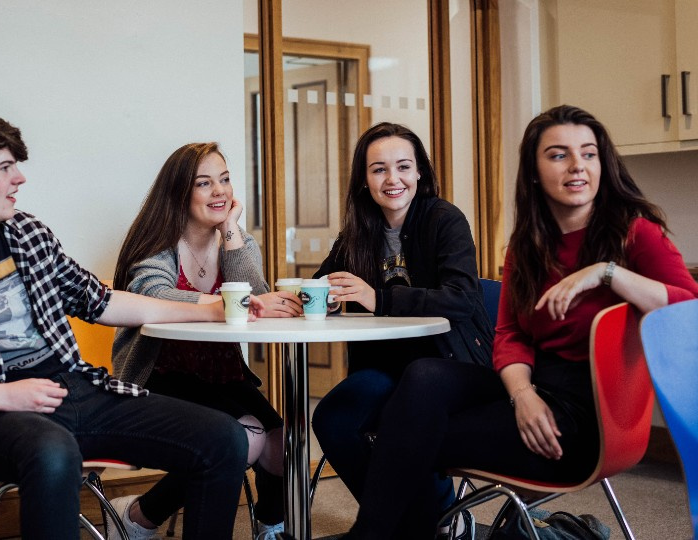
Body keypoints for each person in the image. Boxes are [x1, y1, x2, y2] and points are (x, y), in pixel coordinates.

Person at [0, 109, 267, 540]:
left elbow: (101, 300)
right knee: (53, 451)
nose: (20, 178)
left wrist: (209, 309)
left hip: (69, 387)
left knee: (223, 437)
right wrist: (4, 394)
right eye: (6, 167)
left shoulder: (29, 235)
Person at [340, 105, 698, 539]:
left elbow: (687, 307)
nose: (576, 166)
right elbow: (510, 336)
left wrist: (607, 273)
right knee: (423, 378)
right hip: (534, 391)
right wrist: (523, 395)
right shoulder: (526, 246)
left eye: (588, 154)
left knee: (410, 434)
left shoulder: (635, 233)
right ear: (533, 170)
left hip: (586, 420)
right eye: (558, 155)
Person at [310, 122, 494, 539]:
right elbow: (326, 282)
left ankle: (417, 523)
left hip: (453, 364)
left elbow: (462, 299)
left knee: (406, 409)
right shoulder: (359, 231)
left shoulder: (445, 219)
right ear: (364, 180)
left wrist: (378, 297)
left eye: (403, 167)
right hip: (390, 367)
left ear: (420, 174)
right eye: (378, 169)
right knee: (334, 418)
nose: (392, 179)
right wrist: (314, 296)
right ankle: (415, 525)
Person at [111, 142, 303, 539]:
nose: (220, 191)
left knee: (283, 441)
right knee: (245, 437)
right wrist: (231, 303)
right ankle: (138, 518)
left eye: (225, 179)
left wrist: (230, 231)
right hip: (160, 374)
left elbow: (258, 301)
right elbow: (153, 295)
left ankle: (271, 527)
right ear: (180, 192)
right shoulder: (157, 244)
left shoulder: (235, 239)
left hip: (221, 373)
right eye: (204, 183)